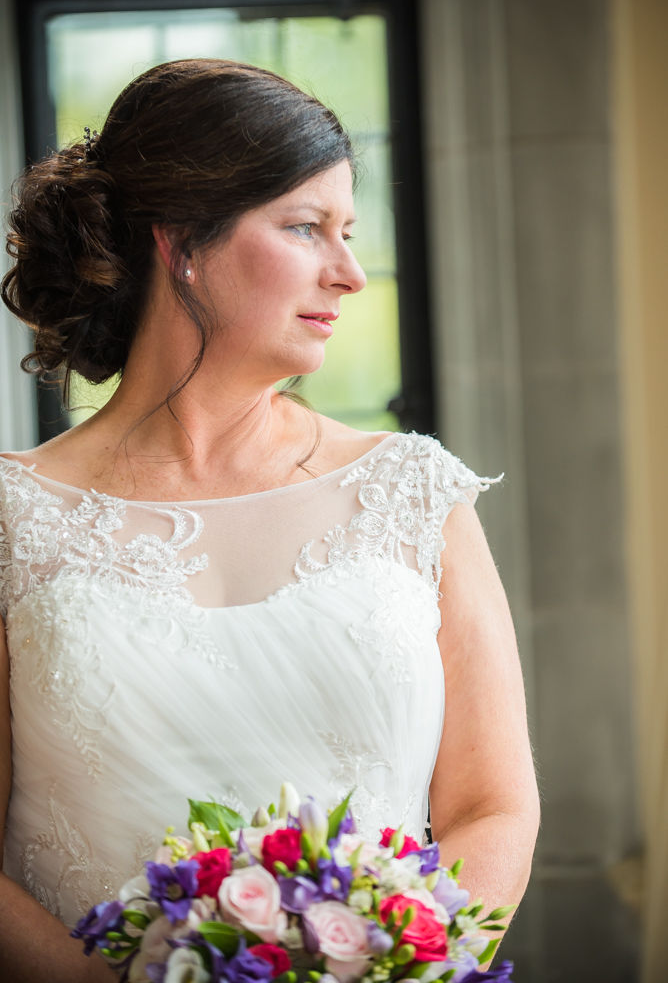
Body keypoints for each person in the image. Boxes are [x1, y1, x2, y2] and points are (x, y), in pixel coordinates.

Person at [0, 59, 539, 981]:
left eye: (349, 233)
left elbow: (494, 807)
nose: (351, 273)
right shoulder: (14, 516)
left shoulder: (411, 491)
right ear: (181, 244)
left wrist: (398, 970)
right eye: (305, 228)